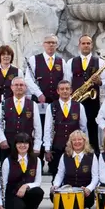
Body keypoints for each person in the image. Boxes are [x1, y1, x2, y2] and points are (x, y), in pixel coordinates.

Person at [26, 35, 66, 170]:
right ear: (43, 44)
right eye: (48, 42)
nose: (51, 45)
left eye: (54, 43)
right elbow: (28, 79)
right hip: (39, 103)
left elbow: (65, 80)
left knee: (53, 129)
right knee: (38, 128)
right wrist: (39, 94)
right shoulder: (34, 59)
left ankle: (52, 162)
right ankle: (38, 162)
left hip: (56, 103)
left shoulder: (61, 61)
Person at [66, 35, 105, 152]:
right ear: (79, 45)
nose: (86, 45)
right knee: (74, 126)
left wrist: (99, 82)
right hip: (76, 100)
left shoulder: (99, 62)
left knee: (92, 128)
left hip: (92, 100)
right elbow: (67, 81)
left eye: (88, 43)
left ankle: (95, 155)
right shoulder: (70, 62)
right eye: (83, 43)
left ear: (92, 45)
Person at [42, 80, 88, 177]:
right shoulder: (51, 107)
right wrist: (47, 149)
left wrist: (85, 146)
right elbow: (47, 129)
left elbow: (83, 128)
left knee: (74, 175)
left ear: (71, 90)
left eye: (67, 89)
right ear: (58, 91)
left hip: (75, 148)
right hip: (57, 148)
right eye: (62, 89)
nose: (65, 91)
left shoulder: (79, 106)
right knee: (56, 175)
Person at [0, 132, 43, 209]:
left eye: (26, 143)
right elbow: (2, 184)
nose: (22, 145)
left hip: (27, 192)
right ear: (15, 145)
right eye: (19, 143)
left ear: (29, 145)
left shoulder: (36, 160)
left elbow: (38, 182)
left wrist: (25, 186)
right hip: (13, 193)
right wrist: (1, 204)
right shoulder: (8, 161)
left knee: (38, 192)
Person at [0, 77, 42, 161]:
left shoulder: (33, 104)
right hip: (8, 145)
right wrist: (2, 139)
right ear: (12, 87)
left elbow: (37, 127)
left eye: (21, 85)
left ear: (26, 88)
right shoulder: (4, 103)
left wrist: (37, 146)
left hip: (27, 146)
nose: (19, 87)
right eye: (16, 85)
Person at [52, 130, 99, 209]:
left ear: (84, 141)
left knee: (87, 200)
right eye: (74, 140)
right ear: (70, 142)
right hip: (68, 190)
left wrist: (89, 189)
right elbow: (59, 174)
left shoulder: (92, 156)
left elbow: (95, 177)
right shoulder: (65, 156)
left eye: (80, 139)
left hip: (84, 192)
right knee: (53, 195)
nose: (77, 142)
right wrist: (55, 185)